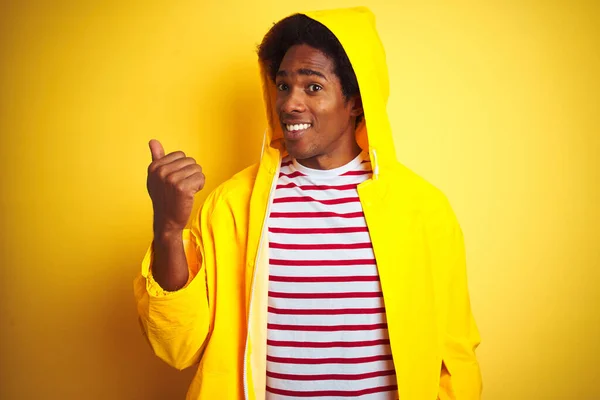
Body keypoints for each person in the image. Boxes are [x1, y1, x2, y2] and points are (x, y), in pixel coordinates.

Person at [134, 6, 482, 400]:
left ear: (355, 101)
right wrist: (167, 229)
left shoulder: (422, 209)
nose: (289, 104)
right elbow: (178, 346)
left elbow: (455, 358)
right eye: (283, 86)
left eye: (312, 87)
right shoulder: (233, 206)